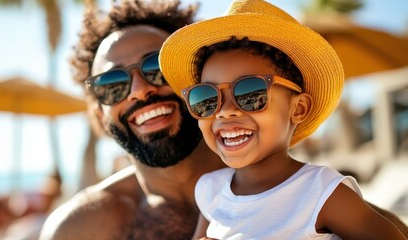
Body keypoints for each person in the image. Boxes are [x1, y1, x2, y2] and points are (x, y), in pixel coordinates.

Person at [40, 0, 408, 239]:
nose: (137, 90)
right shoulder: (78, 229)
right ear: (97, 112)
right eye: (111, 84)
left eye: (155, 68)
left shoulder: (307, 190)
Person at [158, 0, 408, 239]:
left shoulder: (321, 192)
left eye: (249, 93)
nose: (224, 111)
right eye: (207, 98)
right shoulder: (209, 190)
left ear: (298, 108)